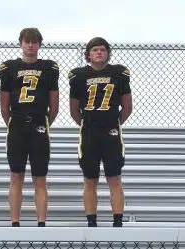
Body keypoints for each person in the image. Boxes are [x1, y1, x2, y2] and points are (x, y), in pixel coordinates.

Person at [68, 37, 133, 227]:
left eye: (103, 50)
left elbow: (127, 106)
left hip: (111, 132)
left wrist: (113, 123)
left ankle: (118, 222)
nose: (99, 53)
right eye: (95, 50)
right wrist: (89, 124)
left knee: (114, 178)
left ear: (108, 53)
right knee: (90, 179)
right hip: (89, 133)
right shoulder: (78, 76)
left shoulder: (118, 73)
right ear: (88, 54)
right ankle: (91, 223)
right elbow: (74, 109)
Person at [0, 28, 59, 227]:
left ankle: (41, 222)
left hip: (39, 124)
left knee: (39, 177)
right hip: (17, 124)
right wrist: (14, 122)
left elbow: (54, 104)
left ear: (39, 44)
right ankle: (14, 222)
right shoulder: (10, 67)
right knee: (16, 176)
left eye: (34, 42)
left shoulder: (48, 67)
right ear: (21, 43)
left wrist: (43, 122)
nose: (31, 45)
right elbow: (4, 104)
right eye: (27, 41)